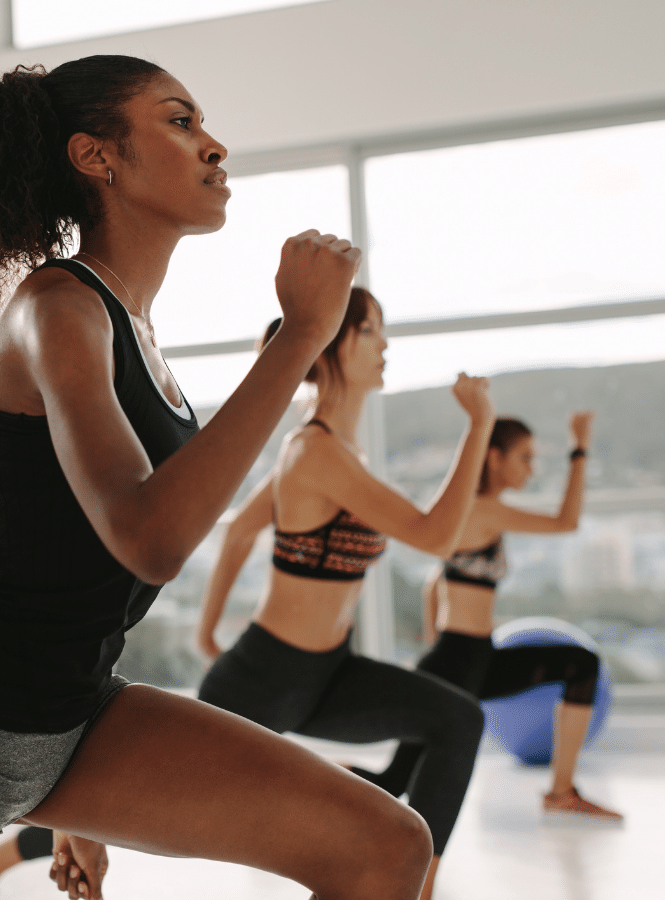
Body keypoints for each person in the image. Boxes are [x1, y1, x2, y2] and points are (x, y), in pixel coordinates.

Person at [0, 56, 439, 900]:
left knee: (385, 845)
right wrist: (300, 337)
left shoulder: (131, 323)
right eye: (179, 122)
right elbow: (148, 536)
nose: (213, 146)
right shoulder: (56, 309)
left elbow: (81, 563)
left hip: (73, 711)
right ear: (98, 157)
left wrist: (79, 805)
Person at [195, 290, 496, 900]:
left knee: (456, 720)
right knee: (147, 810)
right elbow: (437, 536)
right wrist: (480, 427)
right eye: (370, 331)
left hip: (326, 676)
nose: (385, 344)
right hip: (264, 678)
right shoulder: (315, 452)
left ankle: (416, 888)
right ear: (334, 341)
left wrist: (208, 629)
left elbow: (245, 530)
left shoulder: (334, 454)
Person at [352, 412, 624, 821]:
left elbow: (434, 582)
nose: (531, 469)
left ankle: (561, 791)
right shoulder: (482, 510)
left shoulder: (480, 513)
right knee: (392, 783)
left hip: (472, 657)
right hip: (458, 661)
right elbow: (566, 522)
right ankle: (301, 781)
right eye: (525, 458)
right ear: (494, 457)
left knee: (581, 666)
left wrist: (435, 645)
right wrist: (579, 448)